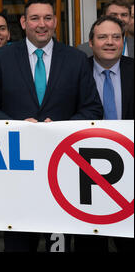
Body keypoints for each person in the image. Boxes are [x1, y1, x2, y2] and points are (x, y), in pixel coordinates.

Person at [0, 0, 103, 252]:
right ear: (23, 22)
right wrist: (17, 124)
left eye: (47, 18)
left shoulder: (76, 59)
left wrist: (59, 127)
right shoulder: (3, 57)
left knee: (60, 243)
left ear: (55, 21)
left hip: (63, 170)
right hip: (18, 170)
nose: (41, 24)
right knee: (19, 244)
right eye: (34, 18)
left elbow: (92, 108)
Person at [75, 16, 133, 252]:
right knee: (90, 244)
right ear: (91, 42)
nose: (110, 42)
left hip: (130, 173)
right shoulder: (76, 72)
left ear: (123, 41)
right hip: (84, 175)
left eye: (116, 37)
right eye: (102, 37)